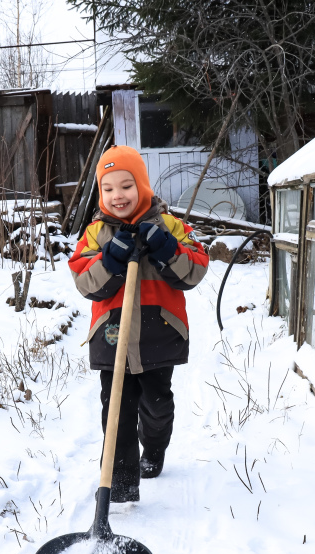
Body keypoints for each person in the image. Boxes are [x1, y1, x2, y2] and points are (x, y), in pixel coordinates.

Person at [68, 145, 208, 502]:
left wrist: (165, 249)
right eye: (109, 188)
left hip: (158, 334)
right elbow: (85, 282)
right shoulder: (96, 233)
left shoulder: (169, 225)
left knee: (157, 407)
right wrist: (110, 258)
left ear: (142, 185)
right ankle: (121, 485)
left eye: (126, 186)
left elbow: (195, 270)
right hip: (112, 338)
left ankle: (156, 446)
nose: (118, 196)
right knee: (116, 412)